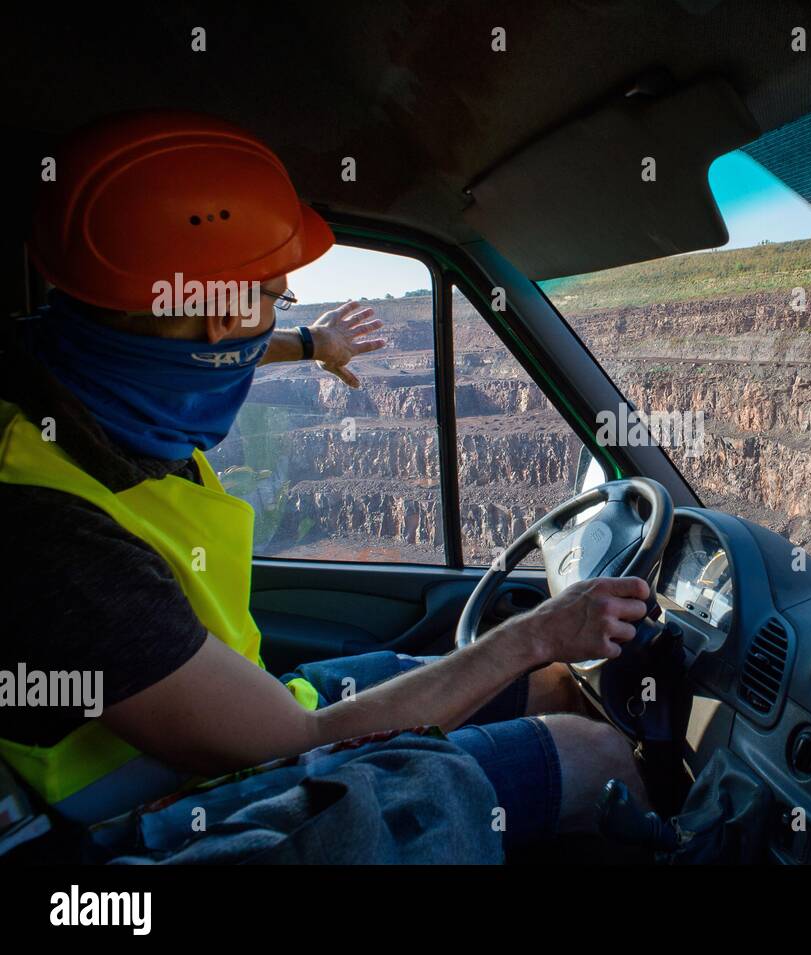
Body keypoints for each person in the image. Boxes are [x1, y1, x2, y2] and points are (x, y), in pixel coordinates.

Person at [0, 111, 649, 860]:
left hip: (230, 710)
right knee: (594, 756)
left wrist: (312, 343)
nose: (276, 316)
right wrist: (535, 632)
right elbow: (294, 740)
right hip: (152, 807)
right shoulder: (47, 536)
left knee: (552, 685)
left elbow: (202, 346)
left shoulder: (63, 367)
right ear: (220, 317)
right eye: (273, 296)